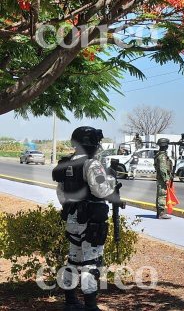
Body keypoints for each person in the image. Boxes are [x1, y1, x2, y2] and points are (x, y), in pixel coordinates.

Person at [52, 126, 120, 311]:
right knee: (91, 263)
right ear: (91, 144)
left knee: (73, 260)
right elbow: (101, 190)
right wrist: (112, 181)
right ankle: (90, 305)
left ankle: (71, 301)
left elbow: (61, 194)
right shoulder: (92, 164)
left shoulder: (66, 164)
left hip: (72, 219)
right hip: (90, 221)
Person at [154, 138, 172, 219]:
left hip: (160, 177)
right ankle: (161, 213)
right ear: (165, 146)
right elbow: (162, 168)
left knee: (160, 195)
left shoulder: (159, 155)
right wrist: (166, 179)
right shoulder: (162, 156)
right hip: (162, 178)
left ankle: (159, 213)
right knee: (162, 195)